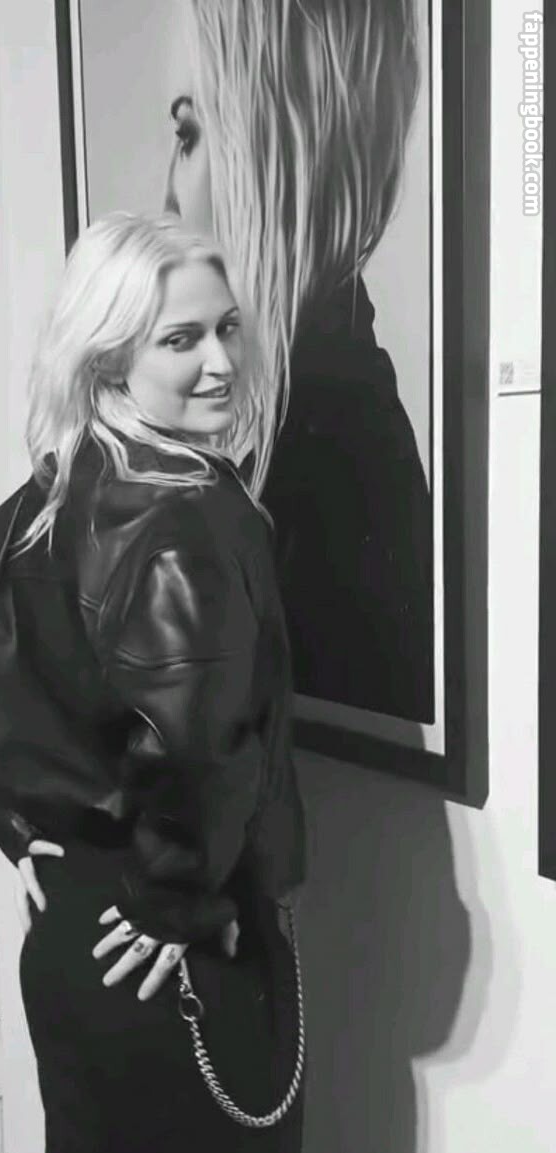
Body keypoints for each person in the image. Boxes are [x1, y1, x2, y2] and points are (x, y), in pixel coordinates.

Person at [0, 212, 306, 1153]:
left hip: (75, 939)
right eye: (181, 339)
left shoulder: (49, 493)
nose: (221, 361)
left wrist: (18, 821)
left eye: (227, 328)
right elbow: (196, 741)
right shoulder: (193, 513)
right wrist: (178, 902)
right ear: (109, 356)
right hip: (176, 951)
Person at [163, 0, 434, 722]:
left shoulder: (318, 471)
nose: (168, 197)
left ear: (266, 150)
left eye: (188, 135)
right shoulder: (327, 431)